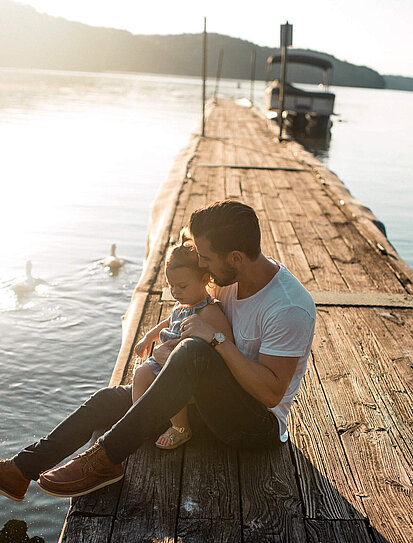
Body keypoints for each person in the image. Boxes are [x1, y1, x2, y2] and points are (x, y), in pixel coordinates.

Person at [0, 199, 316, 502]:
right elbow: (192, 309)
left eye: (205, 257)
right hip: (208, 399)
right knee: (107, 400)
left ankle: (106, 458)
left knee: (193, 351)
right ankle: (20, 471)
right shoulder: (227, 278)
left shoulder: (287, 307)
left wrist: (214, 340)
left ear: (235, 258)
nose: (200, 264)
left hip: (253, 424)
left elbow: (272, 393)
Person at [132, 229, 233, 450]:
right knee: (140, 374)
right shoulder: (183, 304)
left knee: (171, 384)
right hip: (165, 358)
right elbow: (168, 321)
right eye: (171, 286)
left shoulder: (208, 311)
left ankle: (181, 427)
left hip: (187, 371)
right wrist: (149, 336)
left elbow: (226, 342)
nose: (175, 292)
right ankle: (140, 420)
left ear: (205, 279)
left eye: (182, 286)